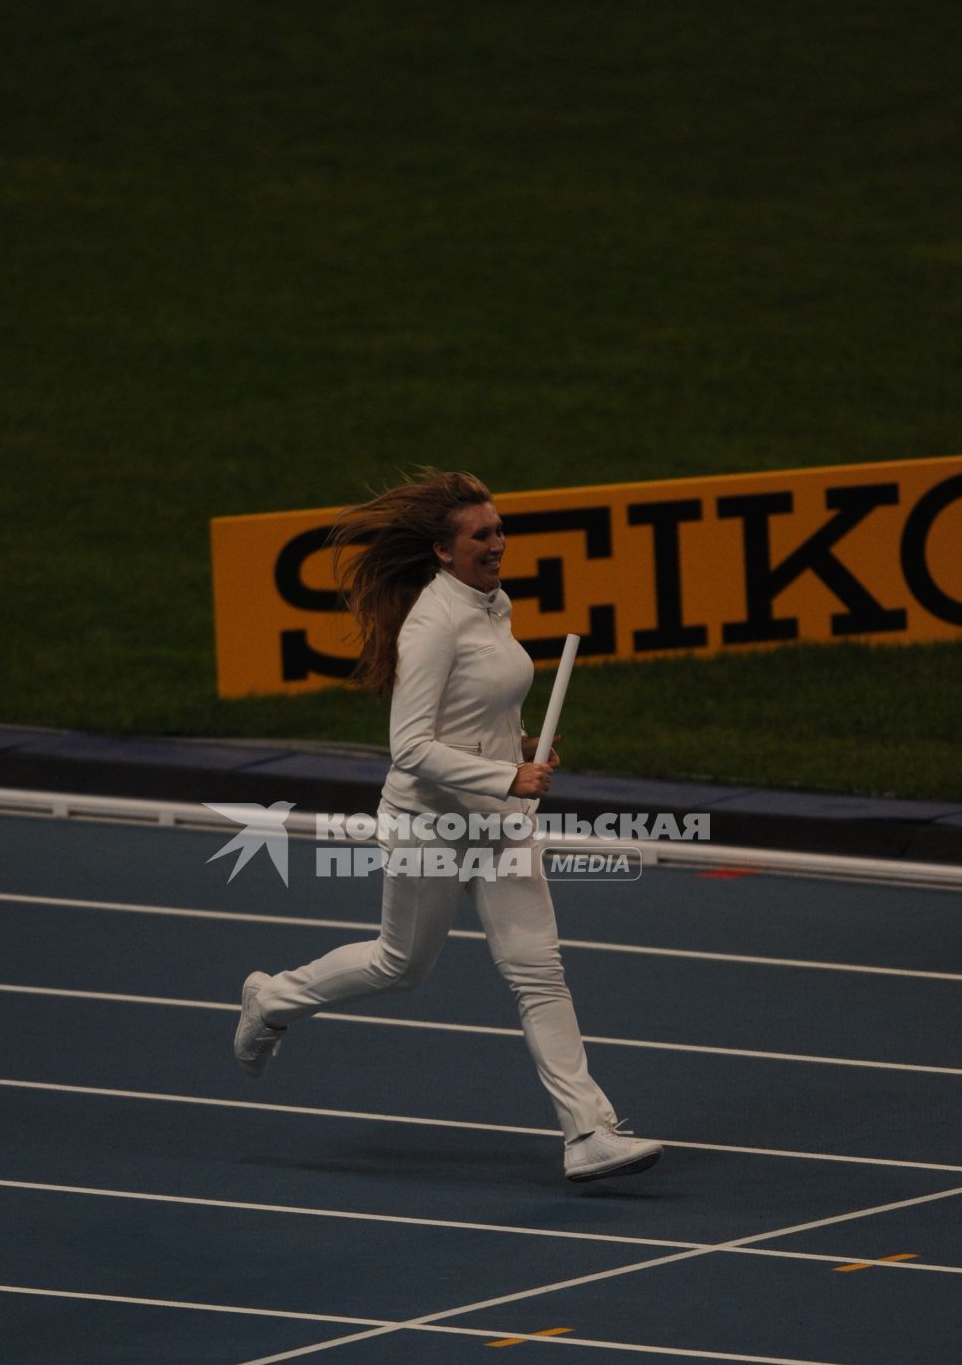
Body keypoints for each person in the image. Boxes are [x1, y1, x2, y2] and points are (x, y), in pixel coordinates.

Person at [233, 468, 663, 1184]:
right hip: (428, 825)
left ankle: (589, 1132)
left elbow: (478, 709)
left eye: (499, 531)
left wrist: (517, 747)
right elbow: (411, 747)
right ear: (442, 549)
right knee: (400, 966)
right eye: (480, 535)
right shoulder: (432, 623)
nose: (497, 543)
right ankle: (271, 999)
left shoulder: (492, 604)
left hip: (497, 824)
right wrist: (506, 776)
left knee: (538, 971)